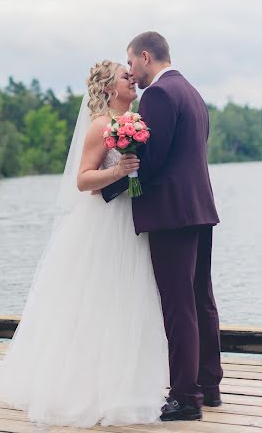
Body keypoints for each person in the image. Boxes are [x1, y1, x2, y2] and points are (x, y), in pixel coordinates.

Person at [0, 59, 169, 427]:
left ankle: (129, 387)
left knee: (129, 300)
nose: (132, 80)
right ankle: (87, 388)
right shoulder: (102, 126)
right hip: (104, 223)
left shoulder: (131, 122)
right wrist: (119, 170)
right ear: (108, 89)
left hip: (130, 220)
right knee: (100, 300)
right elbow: (84, 181)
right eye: (125, 76)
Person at [102, 31, 223, 422]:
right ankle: (209, 385)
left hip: (171, 214)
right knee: (200, 298)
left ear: (146, 55)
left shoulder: (158, 95)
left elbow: (152, 162)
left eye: (132, 63)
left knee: (178, 304)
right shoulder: (191, 92)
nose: (133, 73)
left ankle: (186, 397)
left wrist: (109, 190)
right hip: (200, 210)